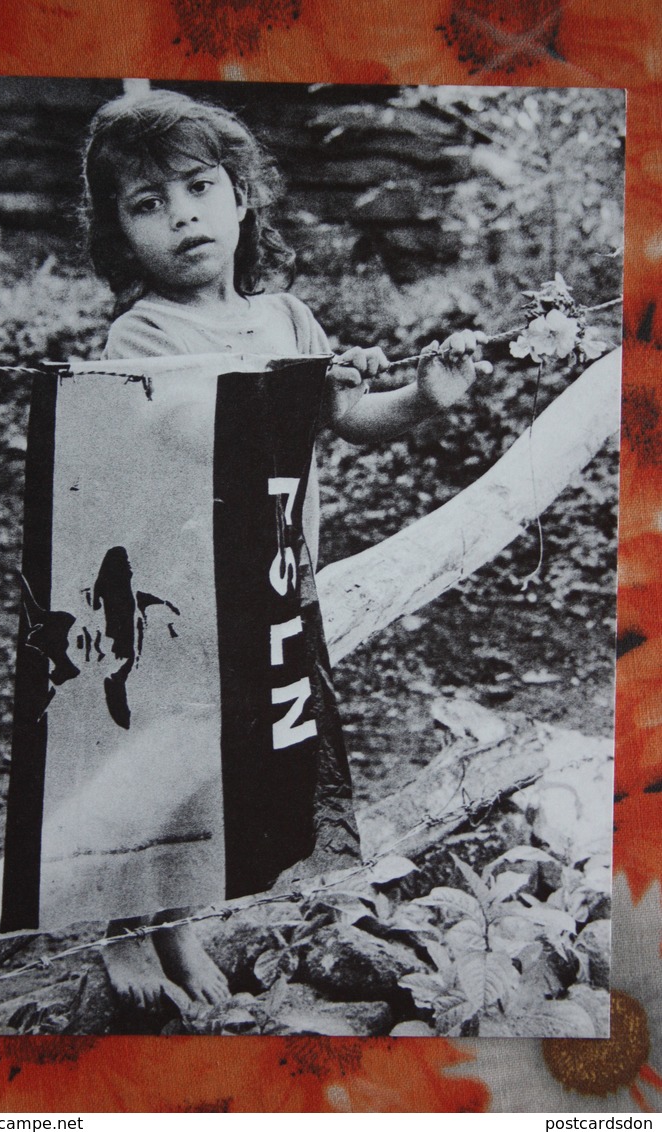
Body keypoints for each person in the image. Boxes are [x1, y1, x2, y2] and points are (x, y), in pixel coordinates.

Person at [81, 87, 491, 1013]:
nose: (181, 214)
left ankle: (188, 922)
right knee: (165, 770)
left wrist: (425, 396)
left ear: (241, 198)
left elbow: (349, 418)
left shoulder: (288, 320)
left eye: (198, 187)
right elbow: (192, 435)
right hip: (178, 599)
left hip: (275, 587)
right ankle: (134, 937)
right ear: (119, 233)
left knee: (238, 770)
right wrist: (290, 390)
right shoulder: (143, 333)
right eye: (148, 204)